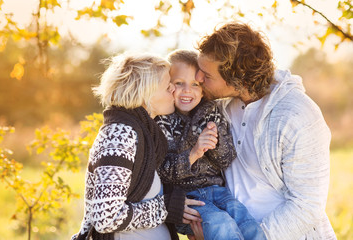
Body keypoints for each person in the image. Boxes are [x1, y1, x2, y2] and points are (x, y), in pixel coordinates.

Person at [187, 22, 336, 240]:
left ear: (236, 79)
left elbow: (307, 205)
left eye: (207, 75)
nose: (198, 78)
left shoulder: (298, 115)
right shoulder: (219, 108)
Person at [71, 53, 204, 240]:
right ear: (145, 93)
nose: (174, 90)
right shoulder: (119, 134)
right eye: (168, 86)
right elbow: (106, 217)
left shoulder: (145, 134)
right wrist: (166, 207)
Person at [155, 49, 266, 240]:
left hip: (218, 192)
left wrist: (215, 140)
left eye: (195, 85)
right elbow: (164, 171)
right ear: (168, 86)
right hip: (188, 199)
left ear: (203, 88)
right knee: (222, 225)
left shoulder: (210, 112)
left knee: (247, 223)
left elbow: (226, 159)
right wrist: (194, 152)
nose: (187, 90)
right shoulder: (163, 120)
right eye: (179, 83)